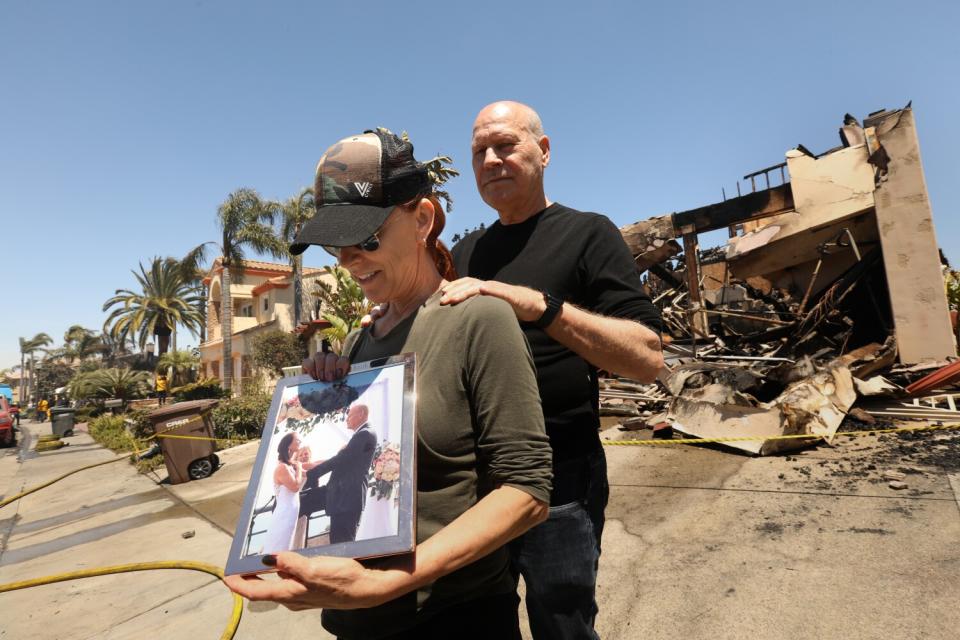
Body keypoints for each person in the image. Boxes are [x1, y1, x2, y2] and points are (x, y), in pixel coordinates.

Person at [224, 127, 552, 640]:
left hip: (453, 617)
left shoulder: (477, 319)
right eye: (337, 245)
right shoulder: (358, 344)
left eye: (367, 239)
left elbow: (527, 491)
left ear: (421, 220)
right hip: (355, 623)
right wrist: (323, 397)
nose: (349, 260)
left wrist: (391, 582)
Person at [440, 101, 665, 639]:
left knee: (562, 621)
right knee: (480, 622)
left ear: (543, 151)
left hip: (561, 476)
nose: (491, 160)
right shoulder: (464, 251)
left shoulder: (587, 234)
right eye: (478, 152)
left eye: (505, 145)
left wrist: (541, 306)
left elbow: (647, 359)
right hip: (477, 482)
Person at [299, 403, 376, 544]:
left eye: (350, 415)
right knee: (302, 501)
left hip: (346, 497)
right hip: (338, 494)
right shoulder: (362, 434)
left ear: (361, 414)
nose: (347, 419)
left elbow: (340, 460)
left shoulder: (365, 434)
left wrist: (310, 474)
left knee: (342, 543)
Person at [262, 432, 306, 554]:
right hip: (284, 514)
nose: (300, 442)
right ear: (288, 445)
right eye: (297, 440)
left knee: (287, 545)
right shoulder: (282, 468)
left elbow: (310, 468)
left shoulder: (291, 466)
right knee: (280, 545)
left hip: (291, 513)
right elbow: (295, 487)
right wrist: (300, 468)